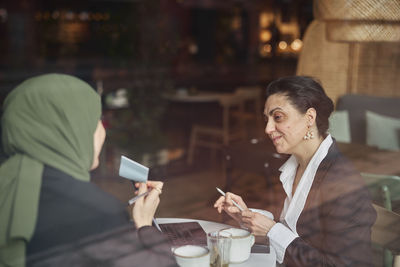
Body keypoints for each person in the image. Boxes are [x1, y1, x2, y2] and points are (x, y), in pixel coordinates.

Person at [0, 74, 177, 267]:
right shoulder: (96, 213)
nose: (103, 130)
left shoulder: (9, 185)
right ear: (70, 129)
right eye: (95, 119)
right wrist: (144, 225)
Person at [214, 76, 377, 266]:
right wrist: (247, 216)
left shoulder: (342, 182)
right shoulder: (291, 168)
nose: (267, 128)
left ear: (309, 118)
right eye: (267, 119)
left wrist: (272, 231)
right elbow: (298, 231)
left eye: (278, 117)